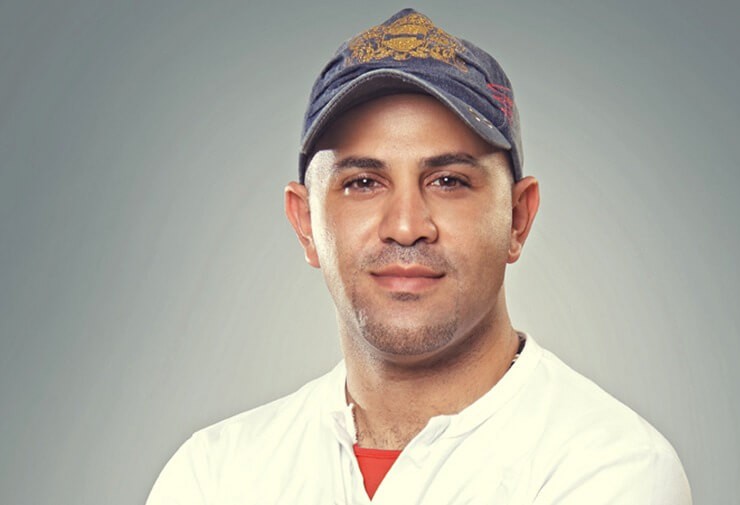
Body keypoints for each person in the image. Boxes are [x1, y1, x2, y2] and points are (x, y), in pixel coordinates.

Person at [146, 8, 691, 504]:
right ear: (306, 223)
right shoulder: (213, 474)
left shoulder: (611, 466)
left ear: (518, 218)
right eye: (363, 182)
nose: (406, 226)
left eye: (449, 181)